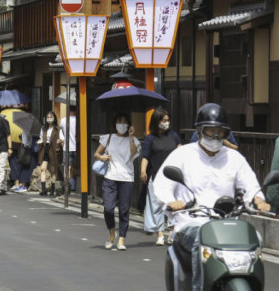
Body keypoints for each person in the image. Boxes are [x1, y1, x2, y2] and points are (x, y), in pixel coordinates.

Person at [153, 103, 270, 291]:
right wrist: (171, 202)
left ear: (226, 134)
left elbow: (251, 186)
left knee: (256, 237)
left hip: (227, 226)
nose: (215, 136)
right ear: (199, 131)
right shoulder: (182, 154)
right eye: (210, 131)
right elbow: (161, 184)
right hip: (191, 224)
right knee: (201, 238)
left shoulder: (234, 158)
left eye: (220, 132)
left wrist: (259, 200)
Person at [93, 112, 140, 251]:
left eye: (125, 122)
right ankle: (112, 234)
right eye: (120, 121)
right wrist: (102, 158)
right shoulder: (108, 138)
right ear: (115, 123)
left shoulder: (134, 140)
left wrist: (131, 136)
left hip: (127, 178)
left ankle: (121, 239)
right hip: (110, 177)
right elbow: (96, 154)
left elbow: (132, 153)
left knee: (124, 210)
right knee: (108, 209)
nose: (122, 124)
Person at [140, 107, 182, 246]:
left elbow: (180, 151)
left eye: (168, 120)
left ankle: (171, 232)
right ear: (157, 121)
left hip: (173, 176)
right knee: (155, 205)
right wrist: (143, 171)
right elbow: (145, 157)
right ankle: (159, 233)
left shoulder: (174, 136)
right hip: (156, 175)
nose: (166, 122)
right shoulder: (150, 138)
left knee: (172, 203)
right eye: (164, 120)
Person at [38, 111, 64, 196]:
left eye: (51, 117)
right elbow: (41, 137)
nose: (49, 119)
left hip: (54, 149)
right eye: (48, 117)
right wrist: (40, 141)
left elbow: (62, 139)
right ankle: (44, 189)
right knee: (42, 168)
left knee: (53, 170)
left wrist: (60, 141)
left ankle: (52, 189)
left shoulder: (58, 129)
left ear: (54, 118)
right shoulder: (43, 128)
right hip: (45, 148)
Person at [60, 106, 78, 191]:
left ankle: (68, 186)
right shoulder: (79, 120)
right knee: (77, 168)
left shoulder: (64, 120)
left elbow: (62, 132)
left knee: (67, 168)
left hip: (67, 147)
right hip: (77, 147)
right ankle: (76, 185)